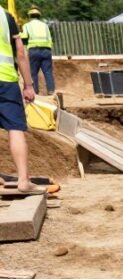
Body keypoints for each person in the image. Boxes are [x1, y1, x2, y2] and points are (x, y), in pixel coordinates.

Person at [0, 6, 39, 194]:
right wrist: (28, 85)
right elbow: (20, 53)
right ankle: (23, 181)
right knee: (15, 129)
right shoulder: (5, 16)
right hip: (6, 81)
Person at [20, 7, 53, 95]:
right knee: (48, 72)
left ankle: (35, 93)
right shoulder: (45, 25)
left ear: (30, 16)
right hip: (47, 50)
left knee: (33, 73)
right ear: (39, 16)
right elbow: (50, 38)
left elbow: (23, 37)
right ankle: (51, 91)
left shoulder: (27, 25)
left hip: (34, 50)